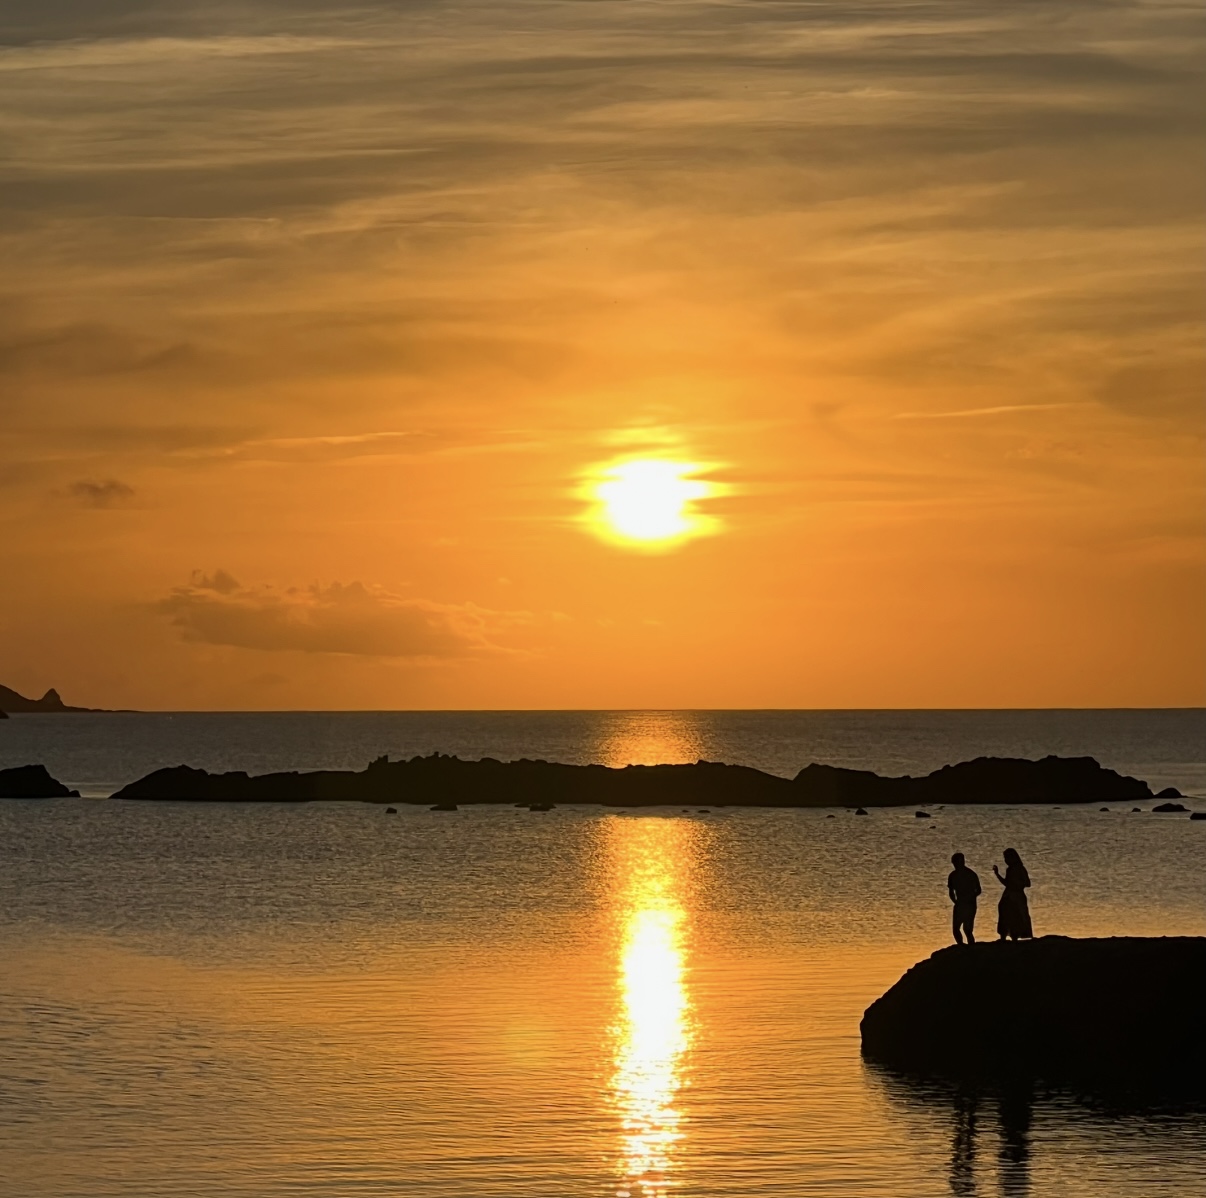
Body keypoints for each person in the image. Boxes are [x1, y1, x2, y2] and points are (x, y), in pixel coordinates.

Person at [993, 848, 1033, 940]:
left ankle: (1015, 935)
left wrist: (1017, 885)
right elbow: (1007, 883)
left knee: (1017, 915)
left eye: (1007, 858)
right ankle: (1004, 935)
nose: (1006, 860)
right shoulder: (1009, 869)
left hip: (1017, 896)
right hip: (1008, 895)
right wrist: (997, 874)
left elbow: (1027, 883)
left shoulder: (1020, 869)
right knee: (1004, 913)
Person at [947, 852, 982, 945]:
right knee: (956, 928)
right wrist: (955, 902)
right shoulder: (952, 875)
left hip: (970, 904)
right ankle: (961, 945)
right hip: (960, 904)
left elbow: (978, 890)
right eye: (954, 863)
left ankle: (971, 946)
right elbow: (951, 892)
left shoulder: (971, 874)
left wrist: (970, 897)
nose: (955, 865)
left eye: (956, 862)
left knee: (967, 929)